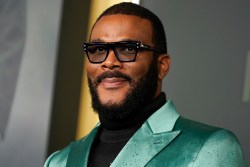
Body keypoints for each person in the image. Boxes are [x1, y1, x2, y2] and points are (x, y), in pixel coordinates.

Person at [44, 2, 247, 167]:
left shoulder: (210, 148)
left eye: (127, 49)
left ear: (162, 66)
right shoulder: (59, 161)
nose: (109, 61)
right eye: (97, 49)